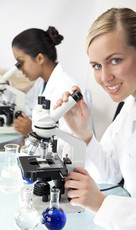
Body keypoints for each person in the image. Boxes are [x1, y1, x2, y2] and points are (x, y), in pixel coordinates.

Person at [54, 8, 136, 230]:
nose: (104, 77)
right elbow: (110, 173)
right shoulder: (132, 101)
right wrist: (83, 133)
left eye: (115, 60)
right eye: (96, 66)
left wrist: (100, 203)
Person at [12, 26, 94, 154]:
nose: (19, 68)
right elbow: (25, 107)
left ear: (40, 58)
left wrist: (32, 131)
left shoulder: (69, 90)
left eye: (20, 62)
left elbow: (74, 145)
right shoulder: (41, 82)